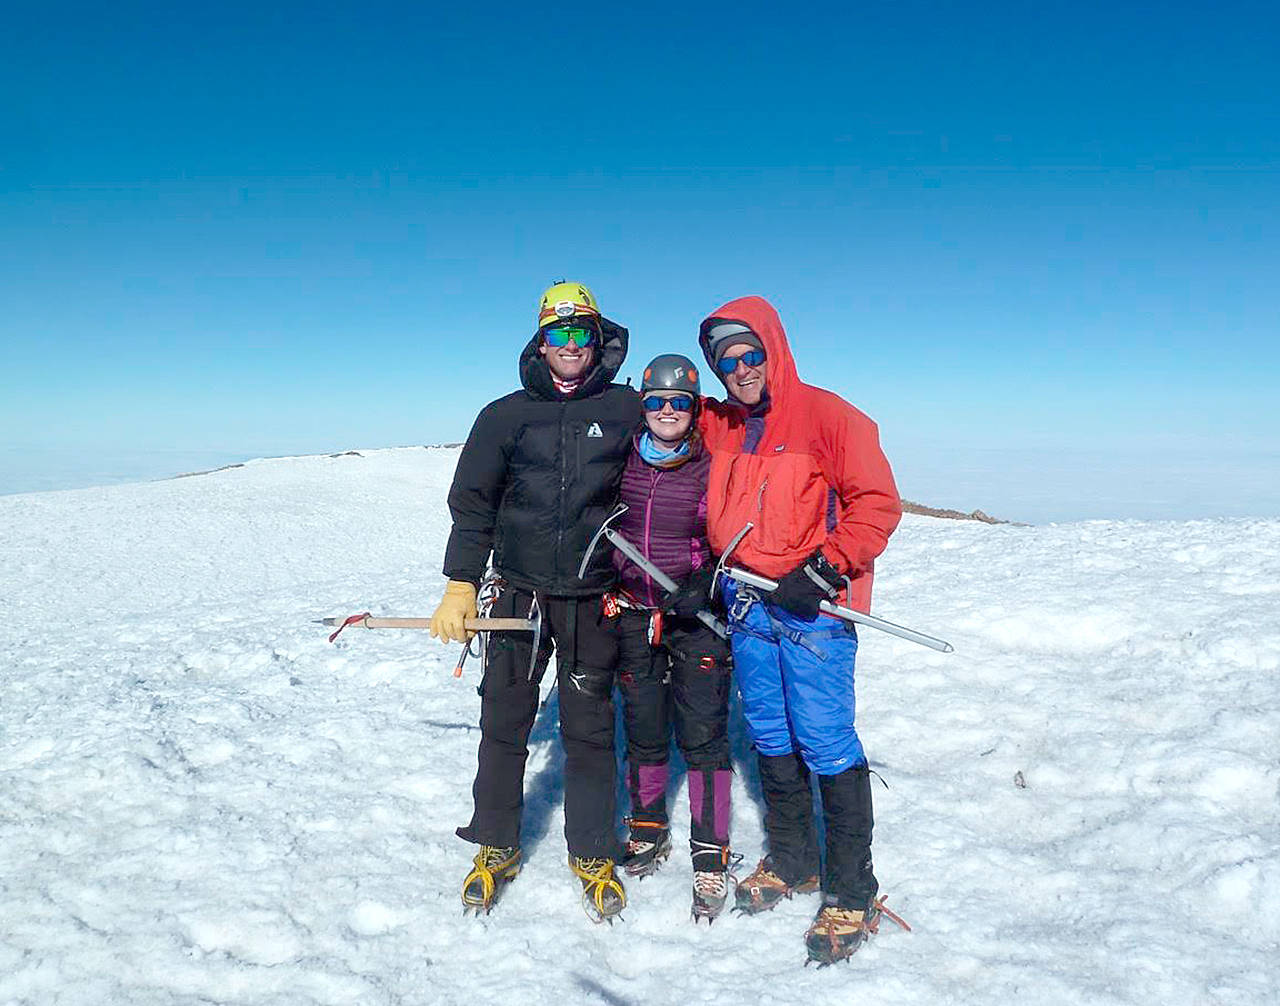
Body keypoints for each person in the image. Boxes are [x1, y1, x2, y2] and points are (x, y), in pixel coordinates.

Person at [694, 296, 902, 964]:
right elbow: (649, 413)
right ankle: (793, 860)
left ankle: (852, 887)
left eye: (751, 355)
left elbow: (876, 505)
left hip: (813, 610)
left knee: (824, 739)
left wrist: (825, 570)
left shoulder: (831, 417)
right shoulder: (720, 423)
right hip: (748, 603)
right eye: (726, 362)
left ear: (774, 350)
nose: (740, 370)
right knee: (770, 732)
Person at [428, 281, 641, 921]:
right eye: (557, 332)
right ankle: (495, 843)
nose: (569, 345)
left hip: (591, 594)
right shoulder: (504, 415)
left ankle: (593, 851)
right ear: (540, 340)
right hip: (516, 597)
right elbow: (474, 506)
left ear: (599, 339)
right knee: (504, 721)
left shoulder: (629, 410)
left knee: (590, 730)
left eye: (581, 333)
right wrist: (461, 581)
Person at [608, 354, 734, 921]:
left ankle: (710, 854)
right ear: (643, 405)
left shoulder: (711, 467)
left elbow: (731, 539)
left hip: (694, 619)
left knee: (704, 736)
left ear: (694, 407)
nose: (666, 411)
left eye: (678, 402)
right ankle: (647, 826)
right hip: (634, 612)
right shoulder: (621, 461)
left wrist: (707, 579)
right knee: (643, 727)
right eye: (656, 400)